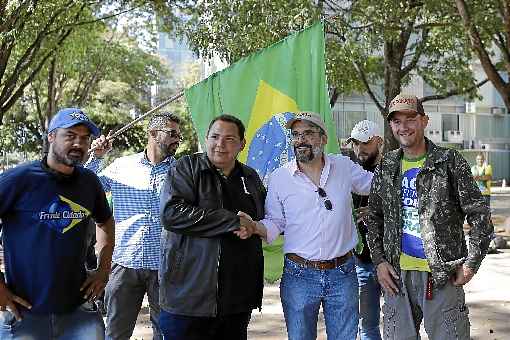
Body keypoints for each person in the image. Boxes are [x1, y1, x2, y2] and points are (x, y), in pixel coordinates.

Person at [365, 94, 493, 340]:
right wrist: (379, 262)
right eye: (396, 121)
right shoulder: (387, 165)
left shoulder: (449, 162)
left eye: (410, 119)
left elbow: (480, 215)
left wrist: (470, 265)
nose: (403, 127)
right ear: (391, 126)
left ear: (424, 120)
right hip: (396, 278)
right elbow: (374, 217)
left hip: (442, 278)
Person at [249, 111, 373, 340]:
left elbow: (374, 186)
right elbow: (276, 222)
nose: (300, 140)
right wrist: (255, 227)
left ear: (324, 139)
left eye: (308, 133)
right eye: (296, 135)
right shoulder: (280, 177)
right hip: (299, 276)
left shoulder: (343, 166)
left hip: (343, 273)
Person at [0, 107, 114, 339]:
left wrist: (103, 270)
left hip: (79, 311)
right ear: (51, 136)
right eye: (70, 136)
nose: (78, 144)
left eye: (84, 138)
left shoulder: (89, 182)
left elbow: (106, 222)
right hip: (25, 313)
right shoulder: (18, 180)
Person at [159, 114, 265, 340]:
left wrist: (252, 226)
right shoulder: (185, 168)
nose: (220, 144)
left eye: (229, 139)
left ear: (241, 144)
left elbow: (262, 219)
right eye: (215, 137)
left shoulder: (250, 177)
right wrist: (233, 221)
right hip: (188, 297)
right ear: (205, 138)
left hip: (236, 300)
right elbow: (171, 214)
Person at [86, 112, 182, 340]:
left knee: (167, 333)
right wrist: (97, 157)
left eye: (179, 135)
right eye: (172, 133)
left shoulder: (181, 171)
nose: (177, 139)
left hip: (165, 268)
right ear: (152, 133)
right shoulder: (121, 166)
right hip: (123, 266)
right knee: (116, 334)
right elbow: (85, 187)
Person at [346, 120, 383, 340]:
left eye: (366, 143)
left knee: (398, 324)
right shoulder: (348, 172)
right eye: (356, 143)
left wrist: (378, 211)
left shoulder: (393, 169)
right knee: (367, 326)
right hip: (361, 263)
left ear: (379, 141)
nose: (360, 149)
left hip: (392, 263)